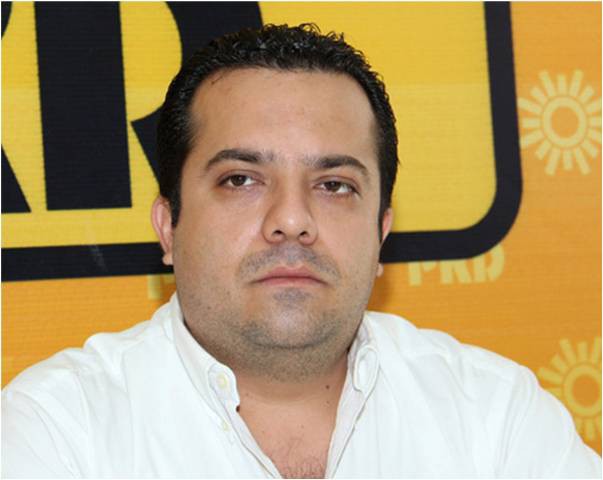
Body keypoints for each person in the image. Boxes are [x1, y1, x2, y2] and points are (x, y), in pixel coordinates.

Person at [2, 23, 601, 479]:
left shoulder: (497, 417)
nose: (291, 221)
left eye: (334, 185)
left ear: (381, 233)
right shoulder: (57, 431)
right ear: (168, 226)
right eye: (241, 179)